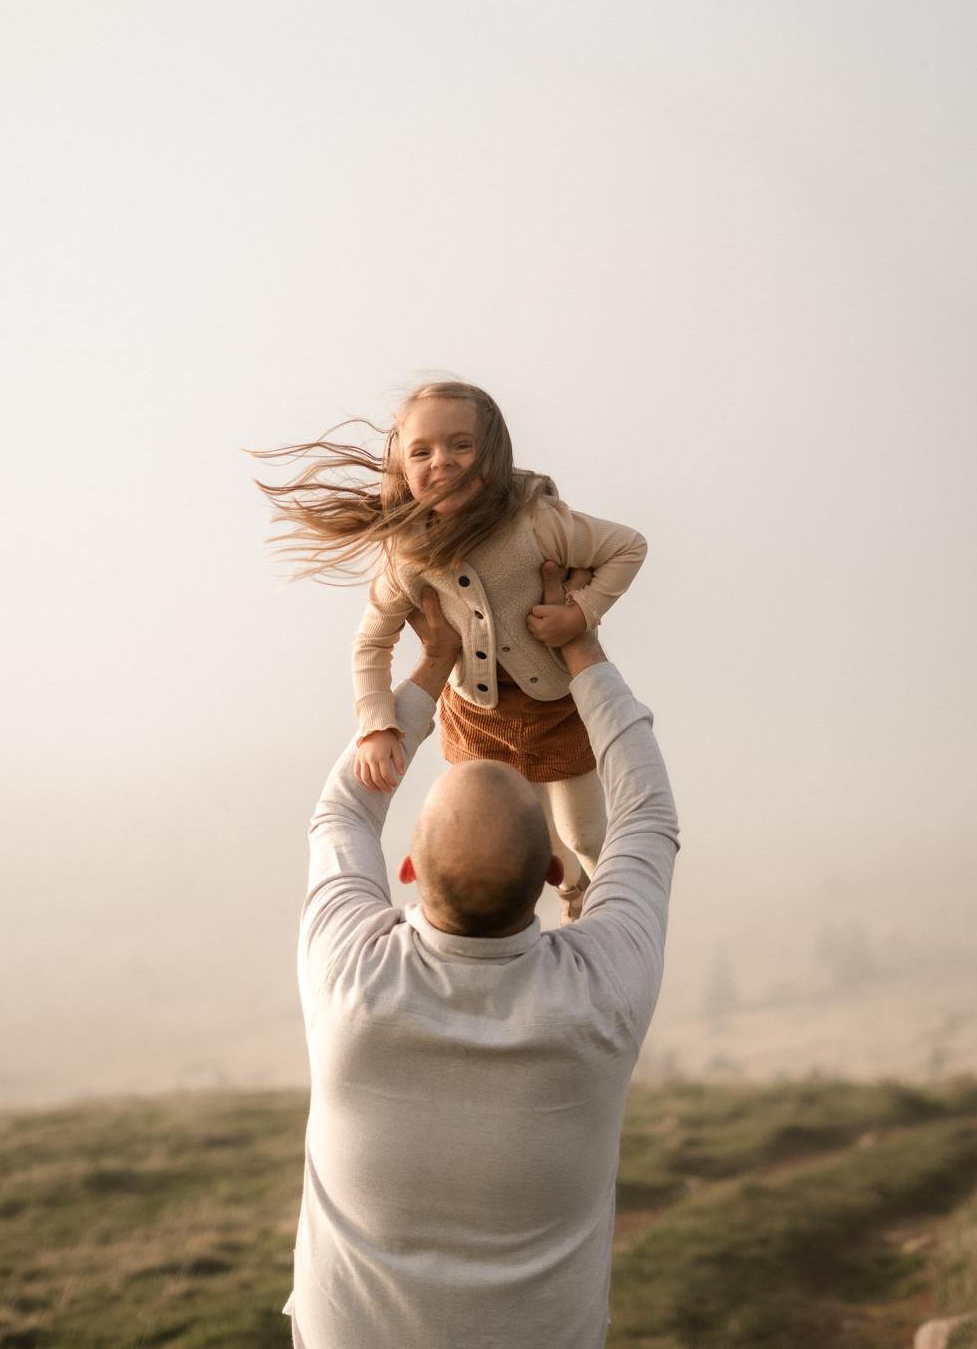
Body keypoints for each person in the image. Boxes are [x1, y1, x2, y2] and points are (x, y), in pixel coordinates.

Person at [282, 561, 680, 1349]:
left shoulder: (350, 984)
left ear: (408, 873)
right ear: (551, 874)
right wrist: (580, 648)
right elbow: (646, 817)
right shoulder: (603, 995)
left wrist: (429, 667)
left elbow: (343, 813)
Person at [254, 380, 647, 921]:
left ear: (494, 452)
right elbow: (372, 640)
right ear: (401, 465)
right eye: (423, 451)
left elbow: (628, 546)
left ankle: (597, 912)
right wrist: (377, 724)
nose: (444, 462)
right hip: (477, 720)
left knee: (585, 832)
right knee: (518, 840)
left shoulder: (538, 523)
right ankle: (557, 906)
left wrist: (581, 612)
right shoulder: (408, 554)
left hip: (559, 709)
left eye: (462, 446)